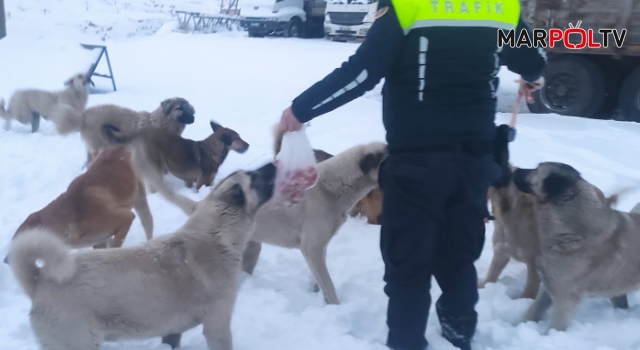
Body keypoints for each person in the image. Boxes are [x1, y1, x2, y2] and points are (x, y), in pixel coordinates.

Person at [278, 0, 547, 349]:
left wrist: (302, 108)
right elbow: (533, 60)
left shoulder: (409, 6)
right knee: (459, 263)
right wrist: (532, 76)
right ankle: (458, 338)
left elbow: (363, 73)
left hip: (416, 168)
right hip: (471, 168)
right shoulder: (500, 7)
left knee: (409, 270)